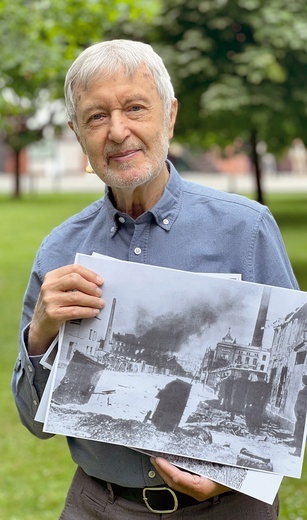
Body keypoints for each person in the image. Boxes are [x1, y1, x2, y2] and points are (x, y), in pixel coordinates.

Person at [12, 39, 299, 519]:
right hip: (99, 506)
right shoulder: (60, 249)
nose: (118, 131)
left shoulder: (246, 230)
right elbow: (34, 424)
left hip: (228, 509)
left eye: (135, 108)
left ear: (169, 116)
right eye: (96, 117)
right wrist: (39, 335)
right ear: (77, 133)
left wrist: (238, 477)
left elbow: (296, 401)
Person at [290, 374, 307, 457]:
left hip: (302, 416)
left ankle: (298, 451)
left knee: (298, 433)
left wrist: (298, 414)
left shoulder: (303, 392)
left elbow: (299, 405)